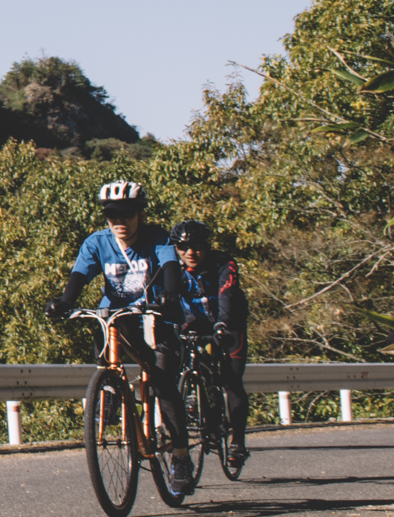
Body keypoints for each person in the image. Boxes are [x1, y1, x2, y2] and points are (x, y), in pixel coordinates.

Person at [55, 179, 194, 489]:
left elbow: (170, 264)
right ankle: (110, 389)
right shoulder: (97, 242)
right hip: (120, 315)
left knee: (162, 381)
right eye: (112, 215)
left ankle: (181, 455)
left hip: (158, 314)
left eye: (126, 214)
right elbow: (79, 274)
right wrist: (65, 302)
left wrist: (171, 292)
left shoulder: (156, 237)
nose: (118, 222)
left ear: (139, 214)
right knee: (102, 328)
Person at [170, 219, 250, 471]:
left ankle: (237, 441)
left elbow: (227, 293)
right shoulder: (173, 269)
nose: (190, 252)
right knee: (183, 361)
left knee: (231, 379)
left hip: (229, 324)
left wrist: (223, 325)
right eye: (183, 247)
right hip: (195, 325)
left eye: (197, 246)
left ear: (207, 246)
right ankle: (197, 399)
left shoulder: (223, 263)